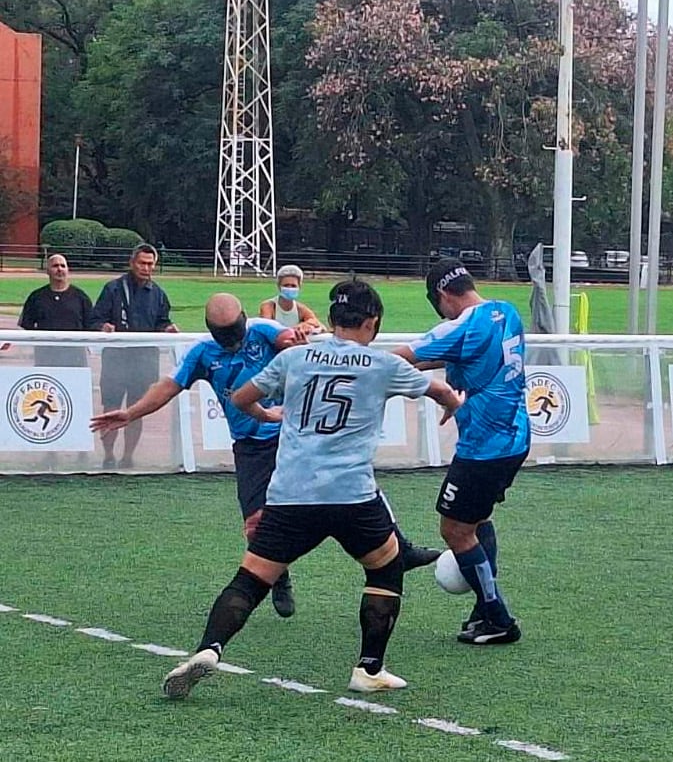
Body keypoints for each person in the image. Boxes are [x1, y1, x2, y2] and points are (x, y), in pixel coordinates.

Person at [160, 280, 462, 699]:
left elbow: (242, 397)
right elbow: (441, 390)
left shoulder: (296, 358)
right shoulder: (381, 363)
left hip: (290, 494)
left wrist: (267, 413)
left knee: (251, 579)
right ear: (372, 322)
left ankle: (208, 649)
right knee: (386, 565)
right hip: (351, 495)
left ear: (333, 318)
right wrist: (452, 404)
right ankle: (369, 668)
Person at [91, 293, 441, 619]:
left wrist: (302, 332)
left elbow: (292, 340)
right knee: (256, 522)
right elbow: (168, 387)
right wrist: (131, 413)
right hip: (250, 446)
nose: (232, 338)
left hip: (290, 438)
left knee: (353, 480)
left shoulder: (263, 331)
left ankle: (401, 546)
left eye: (235, 331)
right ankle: (279, 576)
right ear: (212, 331)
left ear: (244, 319)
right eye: (223, 334)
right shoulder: (201, 354)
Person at [394, 259, 529, 646]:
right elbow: (464, 355)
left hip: (484, 447)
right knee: (478, 518)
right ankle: (484, 611)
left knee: (454, 528)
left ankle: (498, 616)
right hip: (516, 437)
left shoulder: (459, 326)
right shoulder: (507, 312)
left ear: (441, 296)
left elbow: (400, 357)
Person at [87, 243, 178, 469]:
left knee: (136, 411)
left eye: (150, 264)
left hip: (145, 361)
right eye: (141, 263)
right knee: (110, 408)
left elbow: (162, 322)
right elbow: (94, 319)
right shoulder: (113, 289)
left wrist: (168, 330)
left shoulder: (158, 294)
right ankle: (108, 455)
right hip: (116, 360)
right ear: (131, 263)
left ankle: (128, 456)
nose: (146, 268)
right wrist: (103, 327)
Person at [19, 253, 92, 369]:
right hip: (45, 357)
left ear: (68, 270)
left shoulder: (81, 297)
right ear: (47, 271)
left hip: (75, 358)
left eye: (63, 266)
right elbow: (27, 325)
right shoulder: (36, 297)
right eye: (55, 266)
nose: (59, 269)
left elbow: (90, 326)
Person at [259, 264, 323, 332]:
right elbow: (266, 329)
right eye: (286, 285)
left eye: (293, 286)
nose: (290, 288)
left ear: (299, 287)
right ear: (279, 286)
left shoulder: (301, 309)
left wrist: (307, 324)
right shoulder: (269, 306)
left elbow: (320, 326)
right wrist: (296, 328)